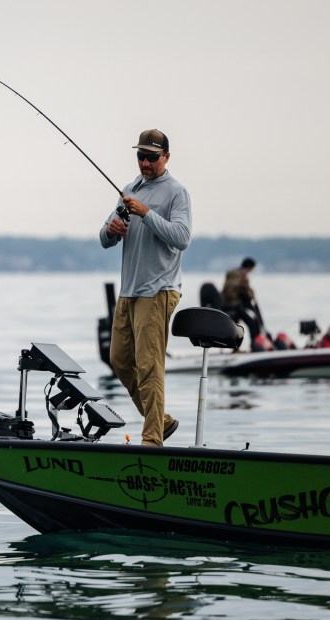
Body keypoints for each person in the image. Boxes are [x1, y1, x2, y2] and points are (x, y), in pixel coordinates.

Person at [100, 129, 192, 446]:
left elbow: (182, 237)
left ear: (166, 157)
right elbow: (104, 239)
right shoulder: (129, 190)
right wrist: (111, 230)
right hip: (129, 291)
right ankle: (161, 422)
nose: (145, 163)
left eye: (152, 157)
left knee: (149, 366)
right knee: (119, 361)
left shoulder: (176, 192)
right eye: (141, 156)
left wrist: (146, 213)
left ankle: (152, 439)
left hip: (158, 290)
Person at [221, 257, 263, 346]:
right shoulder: (243, 275)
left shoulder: (231, 272)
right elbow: (247, 293)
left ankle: (234, 348)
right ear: (249, 266)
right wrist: (252, 294)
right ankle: (254, 345)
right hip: (236, 305)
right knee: (252, 323)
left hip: (225, 305)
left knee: (235, 326)